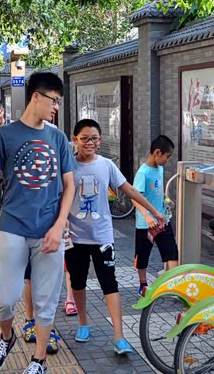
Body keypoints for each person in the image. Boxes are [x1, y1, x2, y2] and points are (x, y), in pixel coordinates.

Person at [0, 72, 77, 374]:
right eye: (54, 100)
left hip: (49, 231)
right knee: (4, 298)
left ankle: (39, 360)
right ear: (36, 96)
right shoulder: (3, 136)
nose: (56, 107)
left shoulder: (58, 138)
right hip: (12, 227)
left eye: (59, 102)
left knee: (45, 300)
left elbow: (70, 186)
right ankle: (7, 337)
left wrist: (59, 225)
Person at [67, 119, 167, 354]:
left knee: (109, 284)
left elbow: (129, 189)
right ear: (75, 140)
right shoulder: (68, 165)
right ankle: (83, 324)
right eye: (84, 138)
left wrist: (154, 211)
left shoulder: (106, 165)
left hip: (102, 237)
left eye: (94, 138)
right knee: (77, 283)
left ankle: (119, 337)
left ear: (100, 140)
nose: (89, 143)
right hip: (74, 237)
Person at [133, 135, 179, 297]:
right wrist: (147, 216)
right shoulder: (143, 173)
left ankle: (175, 286)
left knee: (171, 252)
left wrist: (167, 201)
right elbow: (135, 198)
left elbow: (157, 192)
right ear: (157, 153)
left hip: (162, 220)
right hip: (146, 223)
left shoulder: (160, 168)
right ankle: (143, 284)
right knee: (142, 255)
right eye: (168, 156)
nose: (168, 160)